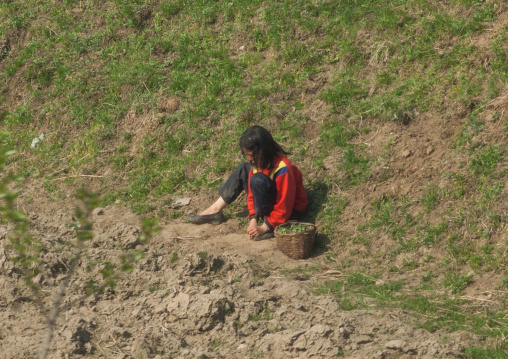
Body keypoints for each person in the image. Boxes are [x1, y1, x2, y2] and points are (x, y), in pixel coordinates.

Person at [186, 125, 308, 240]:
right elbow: (251, 194)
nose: (250, 159)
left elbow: (284, 206)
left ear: (263, 152)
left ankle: (270, 226)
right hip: (272, 204)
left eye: (251, 155)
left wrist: (264, 227)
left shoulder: (284, 169)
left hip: (289, 214)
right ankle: (214, 209)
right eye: (247, 155)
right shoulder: (257, 163)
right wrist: (253, 218)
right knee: (244, 168)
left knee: (257, 180)